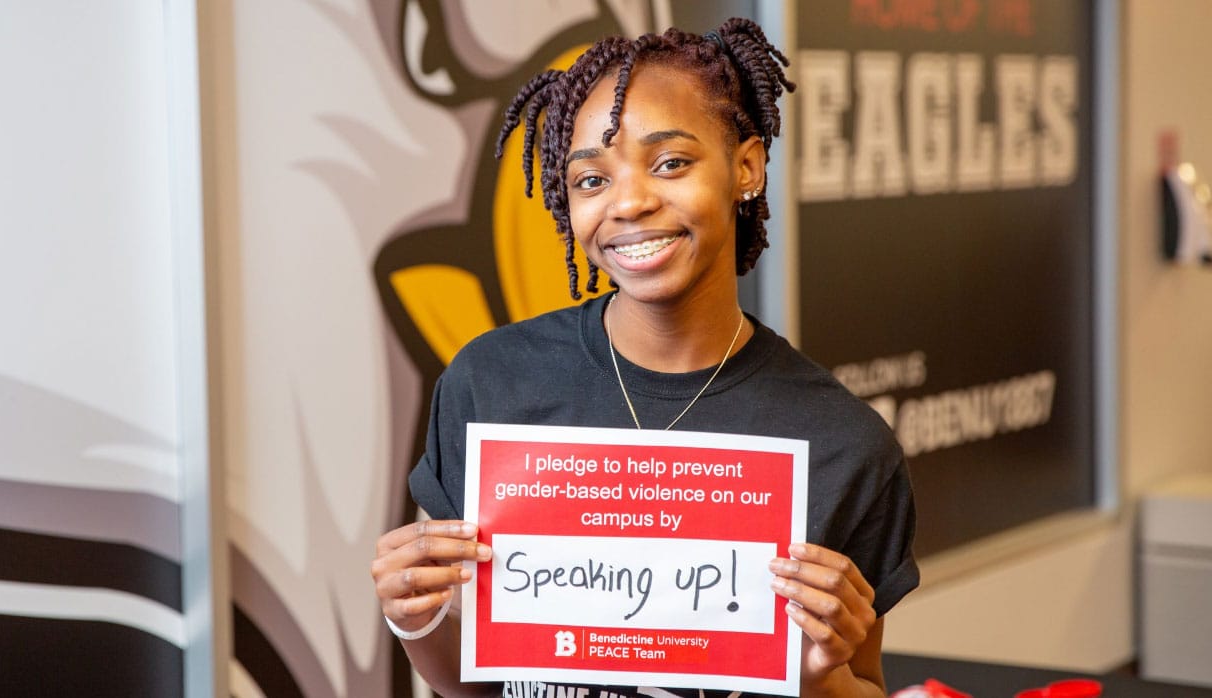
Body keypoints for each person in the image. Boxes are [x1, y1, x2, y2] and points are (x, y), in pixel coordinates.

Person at [370, 17, 918, 698]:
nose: (628, 201)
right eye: (591, 180)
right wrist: (414, 621)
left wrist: (817, 675)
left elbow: (864, 684)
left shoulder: (842, 444)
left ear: (746, 166)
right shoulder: (491, 385)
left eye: (670, 163)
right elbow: (474, 687)